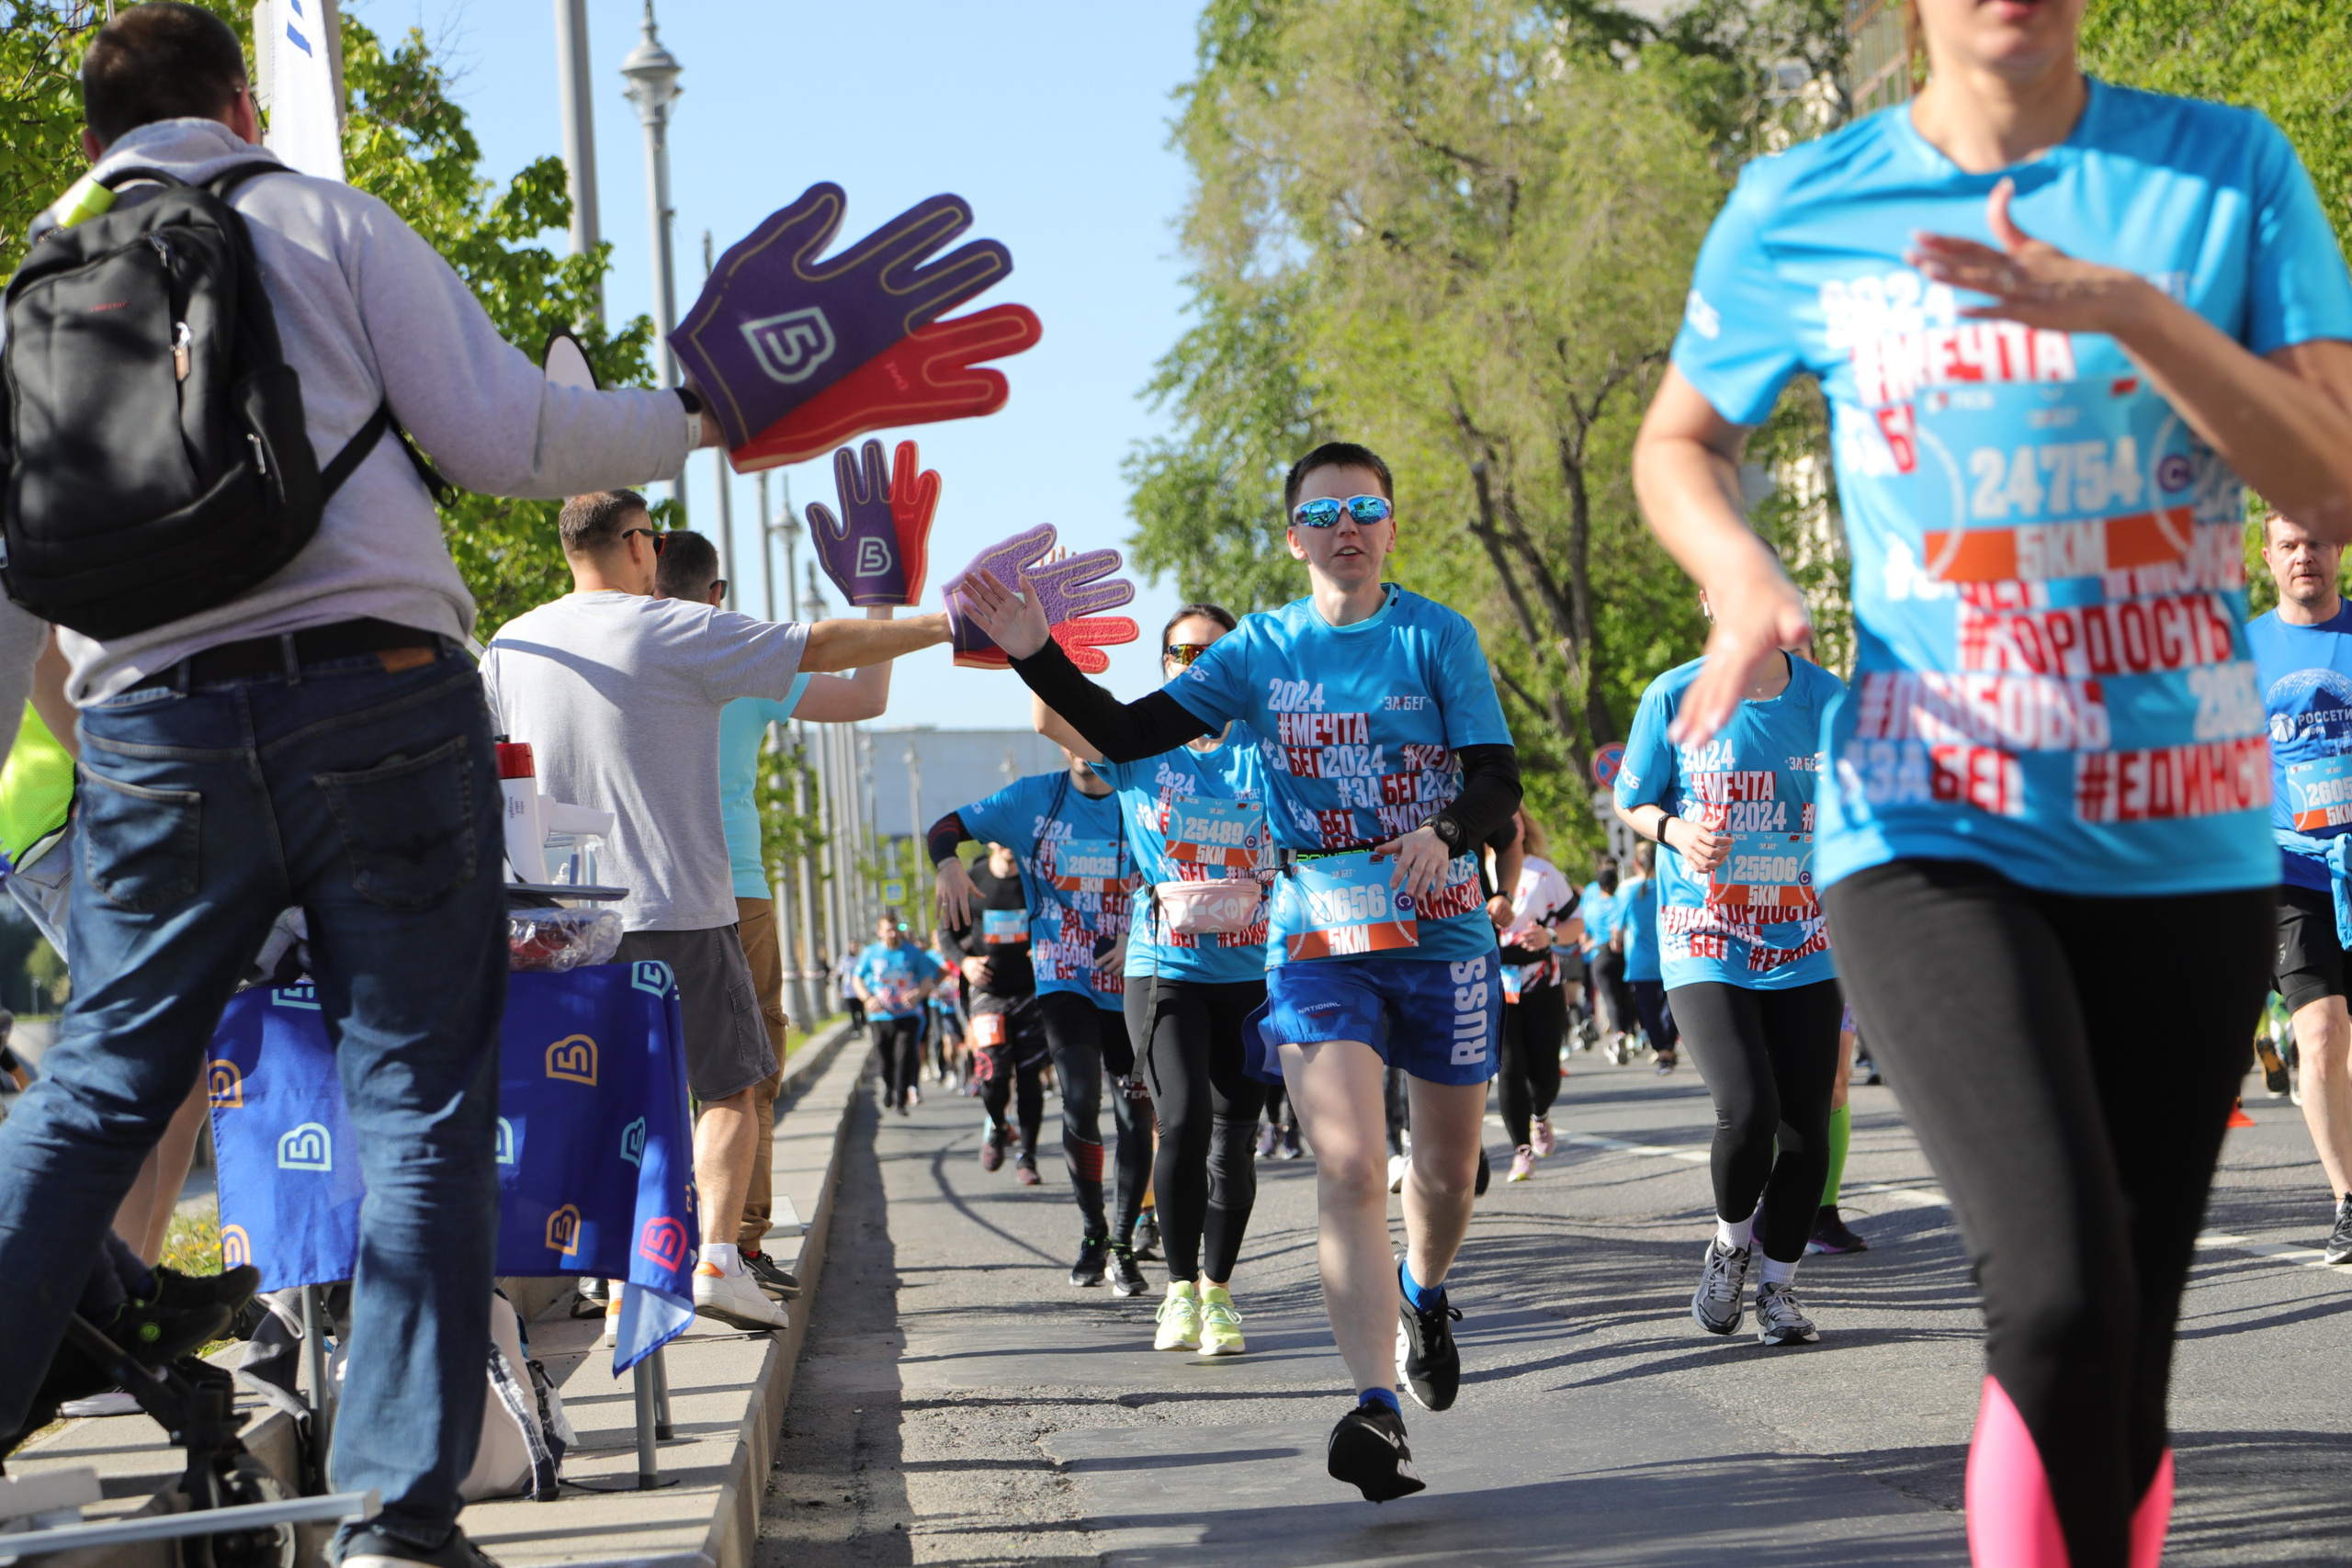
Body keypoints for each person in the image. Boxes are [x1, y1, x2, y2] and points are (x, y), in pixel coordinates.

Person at [0, 9, 737, 1560]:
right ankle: (398, 1518)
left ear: (86, 140)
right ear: (243, 102)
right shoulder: (319, 218)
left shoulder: (37, 282)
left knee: (90, 1095)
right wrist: (696, 410)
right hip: (381, 706)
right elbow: (510, 435)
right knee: (418, 1101)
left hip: (150, 742)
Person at [1632, 0, 2352, 1550]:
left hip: (2188, 834)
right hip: (1927, 819)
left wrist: (2136, 313)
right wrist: (1743, 577)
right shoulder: (1805, 201)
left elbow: (2332, 482)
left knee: (2122, 1349)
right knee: (2058, 1296)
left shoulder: (2222, 171)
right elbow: (1681, 443)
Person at [957, 441, 1521, 1504]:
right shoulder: (1260, 651)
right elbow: (1126, 730)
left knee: (1443, 1178)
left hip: (1440, 934)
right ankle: (1374, 1408)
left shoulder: (1435, 635)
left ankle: (1425, 1293)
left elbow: (1498, 778)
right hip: (1314, 934)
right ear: (1294, 536)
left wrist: (1446, 831)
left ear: (1390, 526)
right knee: (1351, 1166)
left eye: (1365, 509)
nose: (1345, 527)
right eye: (1324, 513)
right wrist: (1036, 651)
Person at [481, 490, 948, 1338]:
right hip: (678, 903)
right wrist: (947, 620)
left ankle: (623, 1270)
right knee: (729, 1086)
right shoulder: (672, 627)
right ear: (636, 544)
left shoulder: (511, 643)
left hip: (561, 920)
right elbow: (829, 646)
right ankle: (716, 1261)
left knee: (604, 1093)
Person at [654, 531, 889, 1296]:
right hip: (734, 887)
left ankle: (628, 1256)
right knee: (746, 1071)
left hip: (633, 887)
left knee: (641, 1066)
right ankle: (737, 1247)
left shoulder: (613, 652)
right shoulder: (740, 656)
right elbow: (865, 696)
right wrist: (878, 598)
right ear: (716, 594)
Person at [1035, 602, 1269, 1354]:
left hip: (1251, 967)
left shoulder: (1263, 747)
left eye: (1213, 650)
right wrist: (1050, 639)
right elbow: (1049, 718)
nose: (1196, 662)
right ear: (1164, 664)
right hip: (1165, 965)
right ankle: (1175, 1292)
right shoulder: (1137, 741)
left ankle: (1217, 1292)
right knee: (1186, 1119)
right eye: (1180, 652)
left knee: (1235, 1138)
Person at [1615, 615, 1846, 1347]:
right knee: (1748, 1109)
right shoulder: (1675, 693)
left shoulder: (1830, 701)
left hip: (1806, 938)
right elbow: (1632, 797)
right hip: (1705, 934)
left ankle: (1779, 1289)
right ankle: (1727, 1246)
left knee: (1806, 1126)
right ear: (1712, 599)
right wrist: (1676, 830)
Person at [933, 754, 1153, 1292]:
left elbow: (1177, 869)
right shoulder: (1032, 799)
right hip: (1063, 979)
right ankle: (1093, 1232)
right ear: (1060, 744)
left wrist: (1139, 930)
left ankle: (1124, 1243)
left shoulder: (1142, 793)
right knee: (1079, 1099)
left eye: (1091, 734)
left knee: (1134, 1112)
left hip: (1132, 979)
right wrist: (949, 863)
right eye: (1069, 735)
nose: (1083, 749)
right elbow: (945, 827)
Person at [2246, 509, 2352, 1264]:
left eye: (2314, 542)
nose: (2303, 557)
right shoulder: (2243, 651)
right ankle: (2348, 1198)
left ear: (2338, 548)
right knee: (2319, 1031)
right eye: (2289, 545)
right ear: (2268, 556)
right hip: (2290, 870)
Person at [930, 839, 1050, 1182]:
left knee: (1030, 1077)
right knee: (992, 1073)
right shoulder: (972, 880)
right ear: (992, 841)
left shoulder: (1036, 877)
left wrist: (1046, 945)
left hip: (1030, 990)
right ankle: (999, 1125)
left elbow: (1058, 918)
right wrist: (965, 963)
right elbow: (946, 933)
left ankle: (1027, 1157)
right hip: (987, 992)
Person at [1494, 810, 1576, 1180]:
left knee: (1545, 1070)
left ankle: (1540, 1114)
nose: (1509, 825)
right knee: (1510, 1067)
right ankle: (1520, 1151)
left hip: (1542, 980)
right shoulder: (1471, 872)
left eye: (1516, 818)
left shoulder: (1543, 872)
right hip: (1495, 982)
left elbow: (1577, 924)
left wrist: (1551, 936)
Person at [853, 915, 942, 1114]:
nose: (893, 934)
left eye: (895, 930)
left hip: (907, 1015)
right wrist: (867, 999)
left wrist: (918, 993)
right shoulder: (871, 953)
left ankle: (901, 1100)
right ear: (879, 932)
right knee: (884, 1058)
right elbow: (856, 979)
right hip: (880, 1016)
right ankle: (889, 1087)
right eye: (888, 930)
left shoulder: (912, 952)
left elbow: (928, 978)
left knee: (904, 1055)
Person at [1809, 1004, 1871, 1255]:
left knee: (1835, 1082)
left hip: (1828, 970)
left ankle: (1823, 1214)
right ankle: (1769, 1203)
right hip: (1759, 972)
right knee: (1770, 1081)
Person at [1621, 841, 1679, 1074]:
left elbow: (1616, 929)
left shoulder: (1628, 891)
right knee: (1672, 1007)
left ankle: (1662, 1051)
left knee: (1649, 1010)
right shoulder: (1671, 887)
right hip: (1671, 959)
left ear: (1636, 863)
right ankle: (1668, 1048)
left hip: (1640, 963)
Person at [1579, 857, 1633, 1059]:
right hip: (1622, 954)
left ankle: (1617, 1036)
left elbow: (1585, 934)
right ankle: (1630, 1035)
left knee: (1610, 999)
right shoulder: (1621, 902)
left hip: (1600, 956)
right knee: (1625, 996)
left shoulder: (1591, 907)